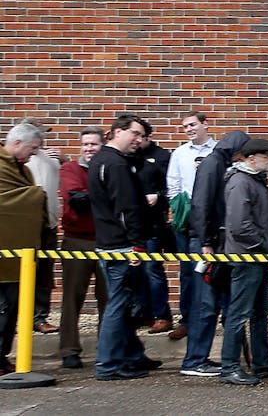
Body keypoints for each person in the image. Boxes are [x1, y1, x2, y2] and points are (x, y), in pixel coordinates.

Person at [89, 114, 161, 380]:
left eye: (142, 137)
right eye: (135, 134)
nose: (139, 141)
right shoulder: (116, 164)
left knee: (123, 301)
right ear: (117, 131)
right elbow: (126, 209)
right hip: (122, 246)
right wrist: (137, 247)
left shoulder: (101, 160)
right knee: (118, 304)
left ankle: (131, 356)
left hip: (110, 244)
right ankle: (108, 365)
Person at [218, 138, 268, 385]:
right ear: (251, 159)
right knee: (239, 314)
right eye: (267, 156)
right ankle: (229, 367)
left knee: (260, 312)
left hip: (256, 256)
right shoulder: (241, 182)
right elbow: (240, 225)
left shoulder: (253, 180)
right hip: (247, 256)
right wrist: (262, 245)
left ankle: (262, 363)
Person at [179, 129, 249, 377]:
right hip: (207, 243)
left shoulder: (217, 162)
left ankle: (198, 358)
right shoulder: (213, 165)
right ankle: (195, 359)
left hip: (212, 241)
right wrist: (205, 241)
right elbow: (202, 203)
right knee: (205, 304)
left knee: (210, 302)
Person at [58, 127, 109, 369]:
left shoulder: (109, 168)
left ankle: (107, 348)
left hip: (106, 241)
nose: (89, 149)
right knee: (72, 298)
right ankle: (69, 350)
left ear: (103, 145)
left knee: (108, 298)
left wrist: (92, 196)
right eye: (85, 144)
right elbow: (75, 199)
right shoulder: (70, 169)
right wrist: (103, 195)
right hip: (76, 240)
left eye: (94, 144)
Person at [1, 121, 49, 375]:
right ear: (17, 142)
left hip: (19, 252)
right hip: (3, 251)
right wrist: (36, 195)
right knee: (2, 307)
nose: (34, 154)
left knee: (12, 308)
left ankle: (2, 356)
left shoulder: (24, 170)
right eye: (32, 148)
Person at [165, 110, 216, 342]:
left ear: (206, 124)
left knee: (211, 270)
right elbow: (173, 185)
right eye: (185, 126)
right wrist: (178, 212)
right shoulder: (180, 153)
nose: (189, 129)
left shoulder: (217, 151)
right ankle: (187, 320)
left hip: (211, 222)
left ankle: (210, 317)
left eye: (193, 124)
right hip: (187, 221)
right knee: (187, 272)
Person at [132, 117, 174, 335]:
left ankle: (162, 314)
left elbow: (173, 187)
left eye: (141, 136)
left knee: (152, 269)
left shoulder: (161, 157)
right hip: (132, 224)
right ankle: (143, 312)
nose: (137, 141)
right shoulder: (129, 157)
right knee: (135, 270)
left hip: (153, 223)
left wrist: (158, 197)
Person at [25, 133, 60, 336]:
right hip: (27, 225)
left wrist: (63, 159)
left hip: (49, 224)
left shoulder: (50, 160)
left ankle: (39, 317)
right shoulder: (19, 163)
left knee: (45, 274)